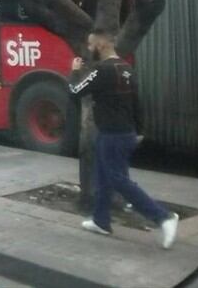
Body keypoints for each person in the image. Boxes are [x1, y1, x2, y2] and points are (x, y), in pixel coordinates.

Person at [69, 29, 179, 249]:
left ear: (100, 45)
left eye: (91, 45)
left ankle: (164, 217)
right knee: (103, 177)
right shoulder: (127, 68)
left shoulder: (101, 70)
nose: (89, 49)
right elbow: (137, 102)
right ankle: (101, 221)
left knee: (119, 181)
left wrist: (73, 72)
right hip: (124, 133)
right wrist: (139, 130)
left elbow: (74, 91)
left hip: (112, 135)